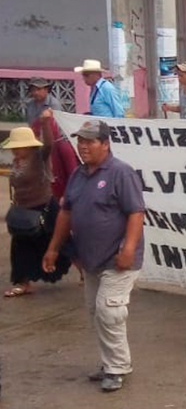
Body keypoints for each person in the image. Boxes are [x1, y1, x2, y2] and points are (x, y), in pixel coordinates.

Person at [43, 119, 144, 392]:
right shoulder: (78, 175)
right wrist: (53, 248)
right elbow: (66, 213)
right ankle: (112, 362)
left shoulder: (121, 173)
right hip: (90, 259)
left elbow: (136, 213)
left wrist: (129, 249)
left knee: (109, 311)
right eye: (81, 140)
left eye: (90, 141)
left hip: (118, 259)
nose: (83, 146)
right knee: (95, 312)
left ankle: (116, 368)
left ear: (105, 144)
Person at [3, 120, 71, 298]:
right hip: (24, 212)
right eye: (14, 148)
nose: (16, 151)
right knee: (20, 247)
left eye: (20, 147)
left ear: (28, 146)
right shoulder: (16, 163)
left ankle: (85, 272)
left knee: (62, 242)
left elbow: (49, 143)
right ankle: (22, 282)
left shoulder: (40, 157)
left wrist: (46, 123)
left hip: (45, 209)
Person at [24, 81, 79, 201]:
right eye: (33, 89)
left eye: (39, 89)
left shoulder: (54, 104)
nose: (36, 92)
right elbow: (32, 126)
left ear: (46, 90)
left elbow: (56, 128)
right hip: (37, 141)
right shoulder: (30, 105)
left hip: (56, 140)